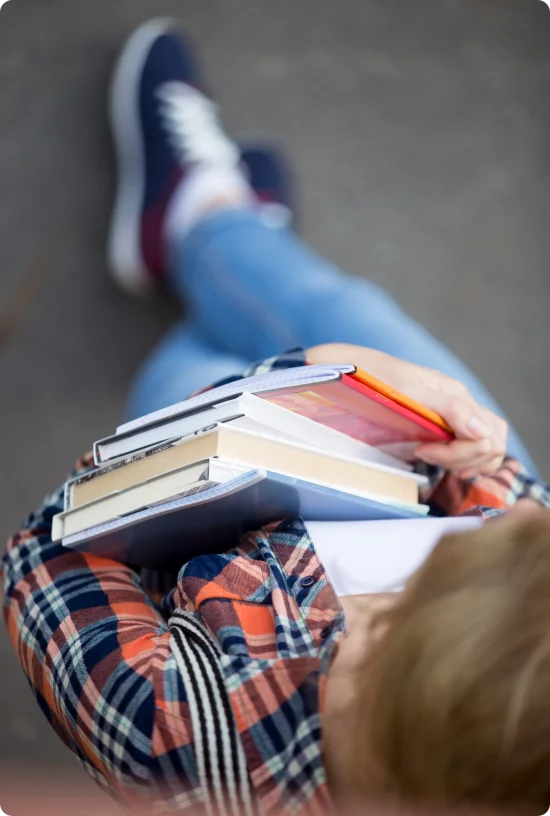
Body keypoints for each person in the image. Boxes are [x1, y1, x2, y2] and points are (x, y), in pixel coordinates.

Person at [2, 18, 550, 816]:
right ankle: (222, 228)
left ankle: (213, 227)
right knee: (349, 313)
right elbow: (504, 504)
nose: (372, 596)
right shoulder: (518, 601)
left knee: (195, 367)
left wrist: (292, 379)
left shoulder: (179, 738)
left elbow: (46, 556)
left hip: (199, 505)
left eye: (390, 621)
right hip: (373, 469)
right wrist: (465, 458)